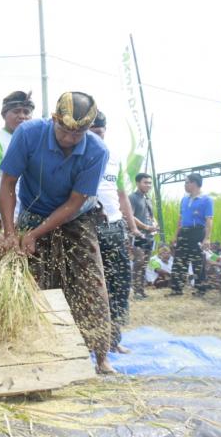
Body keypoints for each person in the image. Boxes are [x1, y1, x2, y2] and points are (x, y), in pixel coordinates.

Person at [0, 91, 114, 374]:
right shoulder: (28, 134)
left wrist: (37, 233)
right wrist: (12, 233)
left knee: (89, 283)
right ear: (53, 119)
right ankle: (34, 351)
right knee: (33, 282)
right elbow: (8, 184)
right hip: (33, 210)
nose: (69, 139)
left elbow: (76, 202)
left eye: (79, 134)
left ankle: (100, 356)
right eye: (64, 131)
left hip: (76, 217)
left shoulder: (97, 151)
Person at [89, 112, 140, 354]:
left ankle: (113, 339)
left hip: (114, 226)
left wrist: (132, 226)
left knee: (118, 283)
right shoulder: (75, 155)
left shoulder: (114, 156)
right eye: (92, 132)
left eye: (100, 131)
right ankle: (90, 340)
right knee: (91, 285)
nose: (97, 136)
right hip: (86, 226)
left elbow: (121, 194)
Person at [169, 173, 213, 296]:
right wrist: (175, 236)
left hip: (197, 232)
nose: (185, 185)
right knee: (179, 261)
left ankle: (200, 289)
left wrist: (207, 238)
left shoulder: (206, 200)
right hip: (184, 232)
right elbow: (180, 219)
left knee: (198, 262)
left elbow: (209, 220)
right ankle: (176, 290)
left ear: (194, 183)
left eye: (186, 182)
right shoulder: (184, 199)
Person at [0, 90, 34, 173]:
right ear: (4, 114)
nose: (22, 116)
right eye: (16, 111)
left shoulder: (34, 142)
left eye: (26, 112)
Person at [129, 173, 160, 298]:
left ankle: (140, 290)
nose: (148, 185)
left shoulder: (147, 198)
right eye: (145, 182)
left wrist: (155, 224)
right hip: (138, 235)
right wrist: (145, 227)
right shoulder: (132, 197)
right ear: (137, 183)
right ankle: (133, 289)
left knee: (144, 263)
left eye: (149, 183)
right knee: (139, 261)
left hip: (149, 236)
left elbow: (151, 216)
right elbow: (130, 216)